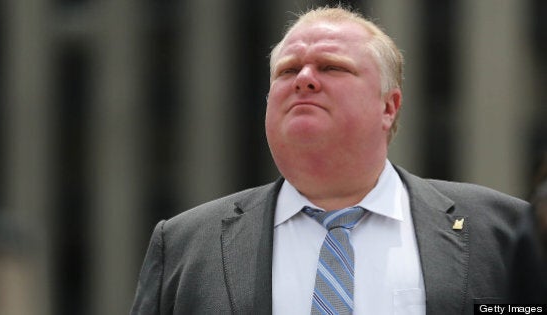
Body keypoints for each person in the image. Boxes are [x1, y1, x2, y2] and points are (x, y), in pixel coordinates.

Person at [131, 6, 547, 314]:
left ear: (389, 106)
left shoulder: (506, 233)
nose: (305, 78)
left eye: (331, 67)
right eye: (287, 70)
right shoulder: (186, 245)